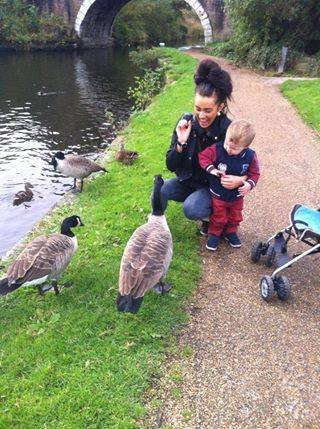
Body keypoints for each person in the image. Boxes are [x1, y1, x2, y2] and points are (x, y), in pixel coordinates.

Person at [162, 58, 246, 235]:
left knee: (191, 209)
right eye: (197, 108)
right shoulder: (185, 123)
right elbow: (170, 165)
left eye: (208, 110)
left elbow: (246, 163)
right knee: (163, 189)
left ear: (220, 107)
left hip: (213, 187)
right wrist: (181, 143)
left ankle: (216, 220)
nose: (201, 115)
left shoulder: (229, 130)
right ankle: (159, 222)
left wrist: (241, 179)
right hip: (190, 180)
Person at [199, 120, 260, 251]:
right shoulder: (218, 148)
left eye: (234, 148)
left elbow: (255, 173)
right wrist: (212, 170)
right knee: (218, 215)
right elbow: (203, 157)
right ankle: (214, 233)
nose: (228, 149)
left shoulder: (250, 156)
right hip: (218, 194)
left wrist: (248, 184)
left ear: (245, 147)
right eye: (227, 144)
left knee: (235, 215)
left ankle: (231, 232)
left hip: (237, 196)